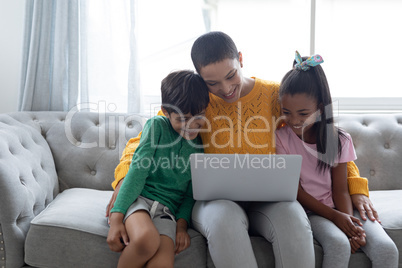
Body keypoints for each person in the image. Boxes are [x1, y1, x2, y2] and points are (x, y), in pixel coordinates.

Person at [107, 31, 380, 267]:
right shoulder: (196, 101)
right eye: (212, 83)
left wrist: (354, 185)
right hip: (215, 200)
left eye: (230, 75)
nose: (225, 89)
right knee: (224, 222)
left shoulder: (275, 96)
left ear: (240, 58)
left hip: (269, 198)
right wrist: (122, 179)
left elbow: (323, 133)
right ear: (200, 79)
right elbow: (144, 140)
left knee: (293, 222)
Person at [275, 51, 399, 267]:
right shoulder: (282, 138)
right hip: (312, 212)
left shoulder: (339, 139)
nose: (294, 121)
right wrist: (336, 218)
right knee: (338, 244)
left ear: (320, 109)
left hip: (340, 208)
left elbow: (341, 189)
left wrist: (351, 224)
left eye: (303, 114)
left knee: (386, 250)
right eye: (287, 112)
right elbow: (296, 192)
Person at [106, 70, 210, 268]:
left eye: (199, 116)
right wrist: (117, 216)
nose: (191, 125)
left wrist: (181, 226)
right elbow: (137, 171)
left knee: (163, 263)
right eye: (182, 118)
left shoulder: (200, 147)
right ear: (165, 111)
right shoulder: (157, 127)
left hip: (167, 213)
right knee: (147, 239)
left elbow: (190, 194)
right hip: (139, 200)